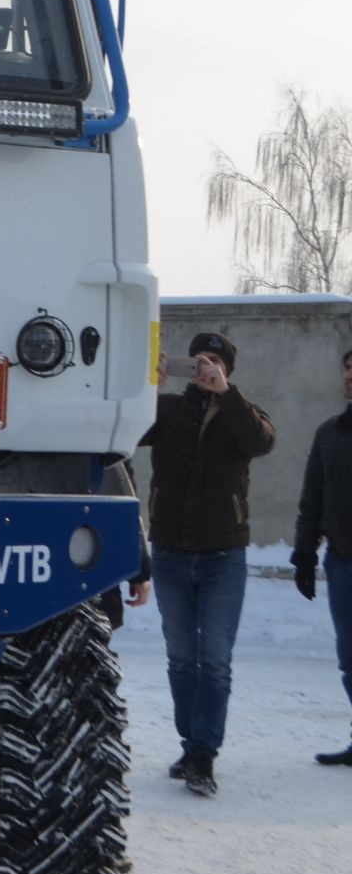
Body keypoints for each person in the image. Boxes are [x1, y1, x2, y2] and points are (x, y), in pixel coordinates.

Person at [139, 331, 275, 797]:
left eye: (214, 361)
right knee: (181, 658)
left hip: (223, 557)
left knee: (214, 660)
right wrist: (146, 387)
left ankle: (203, 754)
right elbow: (127, 431)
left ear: (228, 371)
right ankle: (191, 743)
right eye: (198, 359)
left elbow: (261, 443)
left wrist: (227, 395)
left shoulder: (244, 414)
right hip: (172, 554)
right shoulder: (169, 411)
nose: (204, 367)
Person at [292, 347, 352, 767]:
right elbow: (312, 499)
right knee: (350, 660)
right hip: (343, 562)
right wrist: (304, 555)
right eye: (348, 368)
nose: (350, 375)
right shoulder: (330, 433)